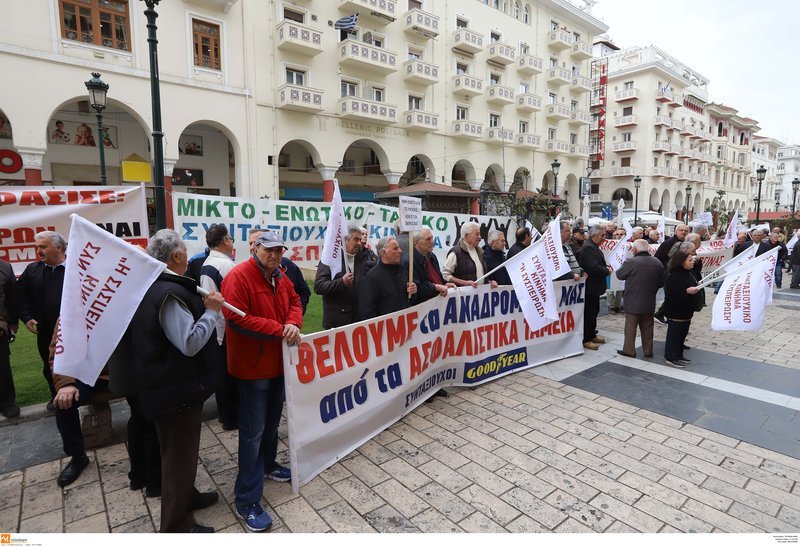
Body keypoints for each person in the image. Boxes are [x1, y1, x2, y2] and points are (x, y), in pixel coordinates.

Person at [130, 229, 224, 533]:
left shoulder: (158, 285)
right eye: (185, 250)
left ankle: (187, 497)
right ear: (177, 257)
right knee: (177, 459)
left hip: (171, 387)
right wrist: (211, 312)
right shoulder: (168, 293)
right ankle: (176, 525)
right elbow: (189, 342)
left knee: (182, 455)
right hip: (174, 391)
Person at [221, 231, 303, 533]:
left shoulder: (280, 275)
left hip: (277, 365)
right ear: (254, 248)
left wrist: (293, 322)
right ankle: (246, 499)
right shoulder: (239, 276)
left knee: (270, 425)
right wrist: (279, 329)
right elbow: (236, 318)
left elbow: (295, 299)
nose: (274, 255)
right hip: (252, 368)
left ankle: (267, 466)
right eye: (269, 250)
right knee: (253, 433)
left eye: (278, 250)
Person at [17, 231, 67, 409]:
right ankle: (56, 396)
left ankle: (84, 393)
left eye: (43, 246)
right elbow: (20, 296)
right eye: (37, 247)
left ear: (58, 247)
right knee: (49, 364)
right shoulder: (32, 270)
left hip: (76, 330)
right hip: (45, 331)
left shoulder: (76, 268)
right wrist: (27, 317)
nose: (39, 251)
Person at [199, 224, 238, 430]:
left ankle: (226, 416)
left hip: (216, 328)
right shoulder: (226, 266)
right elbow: (236, 301)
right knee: (230, 377)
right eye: (231, 239)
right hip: (227, 329)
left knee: (223, 376)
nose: (232, 243)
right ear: (225, 241)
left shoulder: (208, 263)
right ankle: (232, 418)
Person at [615, 239, 665, 358]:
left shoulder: (632, 261)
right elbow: (662, 281)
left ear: (635, 250)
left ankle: (629, 350)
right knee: (648, 327)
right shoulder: (657, 262)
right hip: (649, 300)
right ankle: (648, 351)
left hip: (632, 300)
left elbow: (619, 275)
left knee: (631, 327)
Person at [248, 229, 311, 314]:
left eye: (255, 242)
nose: (252, 246)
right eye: (250, 243)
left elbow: (302, 293)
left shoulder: (288, 266)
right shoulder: (242, 274)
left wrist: (295, 317)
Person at [314, 226, 366, 329]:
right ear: (345, 240)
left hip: (357, 321)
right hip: (337, 322)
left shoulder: (361, 258)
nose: (359, 243)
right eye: (356, 239)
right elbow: (319, 286)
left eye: (360, 240)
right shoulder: (330, 259)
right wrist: (341, 282)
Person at [359, 237, 418, 320]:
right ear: (383, 252)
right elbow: (367, 311)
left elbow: (410, 300)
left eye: (399, 248)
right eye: (395, 249)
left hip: (404, 325)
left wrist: (413, 292)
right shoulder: (372, 277)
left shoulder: (402, 271)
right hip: (386, 329)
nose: (400, 251)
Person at [662, 248, 702, 368]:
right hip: (676, 312)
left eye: (692, 260)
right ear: (681, 261)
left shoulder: (688, 272)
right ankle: (670, 356)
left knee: (682, 334)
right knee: (674, 335)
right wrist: (686, 291)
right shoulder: (673, 275)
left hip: (686, 311)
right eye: (690, 260)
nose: (692, 262)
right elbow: (671, 295)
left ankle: (679, 354)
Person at [577, 225, 612, 350]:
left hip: (595, 288)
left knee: (594, 311)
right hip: (590, 288)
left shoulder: (593, 246)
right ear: (594, 235)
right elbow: (593, 267)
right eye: (602, 235)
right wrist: (606, 270)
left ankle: (592, 334)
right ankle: (586, 338)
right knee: (589, 313)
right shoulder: (588, 248)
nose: (604, 238)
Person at [405, 228, 453, 303]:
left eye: (432, 238)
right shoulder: (409, 262)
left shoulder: (431, 256)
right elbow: (415, 289)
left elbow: (436, 276)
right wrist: (435, 287)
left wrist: (445, 284)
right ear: (416, 242)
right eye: (428, 239)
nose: (432, 241)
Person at [0, 258, 20, 418]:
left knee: (2, 366)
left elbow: (12, 297)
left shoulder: (5, 267)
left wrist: (13, 323)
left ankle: (7, 402)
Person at [442, 222, 487, 288]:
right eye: (477, 234)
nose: (479, 237)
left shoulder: (480, 252)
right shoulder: (455, 253)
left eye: (479, 234)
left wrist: (489, 282)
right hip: (462, 296)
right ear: (466, 235)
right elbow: (445, 275)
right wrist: (464, 283)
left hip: (479, 295)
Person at [606, 229, 626, 313]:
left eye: (621, 234)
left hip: (621, 269)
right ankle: (610, 306)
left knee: (620, 288)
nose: (619, 236)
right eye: (617, 234)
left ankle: (617, 306)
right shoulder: (608, 244)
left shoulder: (626, 245)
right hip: (610, 268)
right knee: (610, 289)